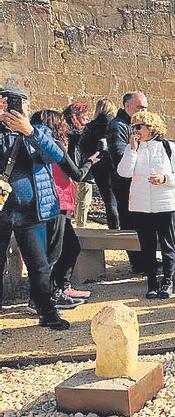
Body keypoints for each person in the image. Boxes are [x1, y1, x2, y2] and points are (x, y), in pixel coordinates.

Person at [0, 87, 70, 328]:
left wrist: (29, 132)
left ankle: (47, 311)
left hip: (30, 212)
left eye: (26, 108)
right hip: (2, 211)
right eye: (19, 106)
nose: (23, 111)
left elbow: (55, 156)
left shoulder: (38, 131)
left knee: (39, 265)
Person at [117, 111, 175, 299]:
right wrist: (132, 150)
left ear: (150, 127)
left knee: (167, 245)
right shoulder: (131, 148)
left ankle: (167, 281)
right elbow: (123, 172)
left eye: (138, 126)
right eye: (133, 127)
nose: (135, 130)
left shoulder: (168, 147)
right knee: (147, 247)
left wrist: (165, 178)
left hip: (166, 204)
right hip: (141, 205)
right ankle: (152, 283)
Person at [31, 110, 97, 307]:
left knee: (66, 248)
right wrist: (90, 162)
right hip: (56, 201)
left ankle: (58, 289)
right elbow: (75, 173)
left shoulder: (34, 143)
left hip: (51, 201)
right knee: (54, 252)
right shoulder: (51, 145)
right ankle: (43, 297)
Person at [108, 90, 149, 273]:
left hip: (137, 183)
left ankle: (144, 260)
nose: (144, 110)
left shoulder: (135, 124)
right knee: (130, 223)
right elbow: (118, 155)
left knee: (141, 222)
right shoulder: (118, 126)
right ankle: (138, 263)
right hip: (125, 184)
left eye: (146, 107)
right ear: (127, 106)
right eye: (140, 107)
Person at [79, 99, 119, 229]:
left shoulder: (91, 126)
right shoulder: (116, 124)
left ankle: (114, 225)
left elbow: (83, 146)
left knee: (109, 199)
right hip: (117, 163)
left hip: (99, 165)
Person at [63, 102, 93, 227]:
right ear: (76, 116)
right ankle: (81, 225)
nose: (87, 117)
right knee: (82, 198)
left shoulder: (66, 129)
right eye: (84, 115)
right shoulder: (77, 132)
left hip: (74, 168)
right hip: (79, 169)